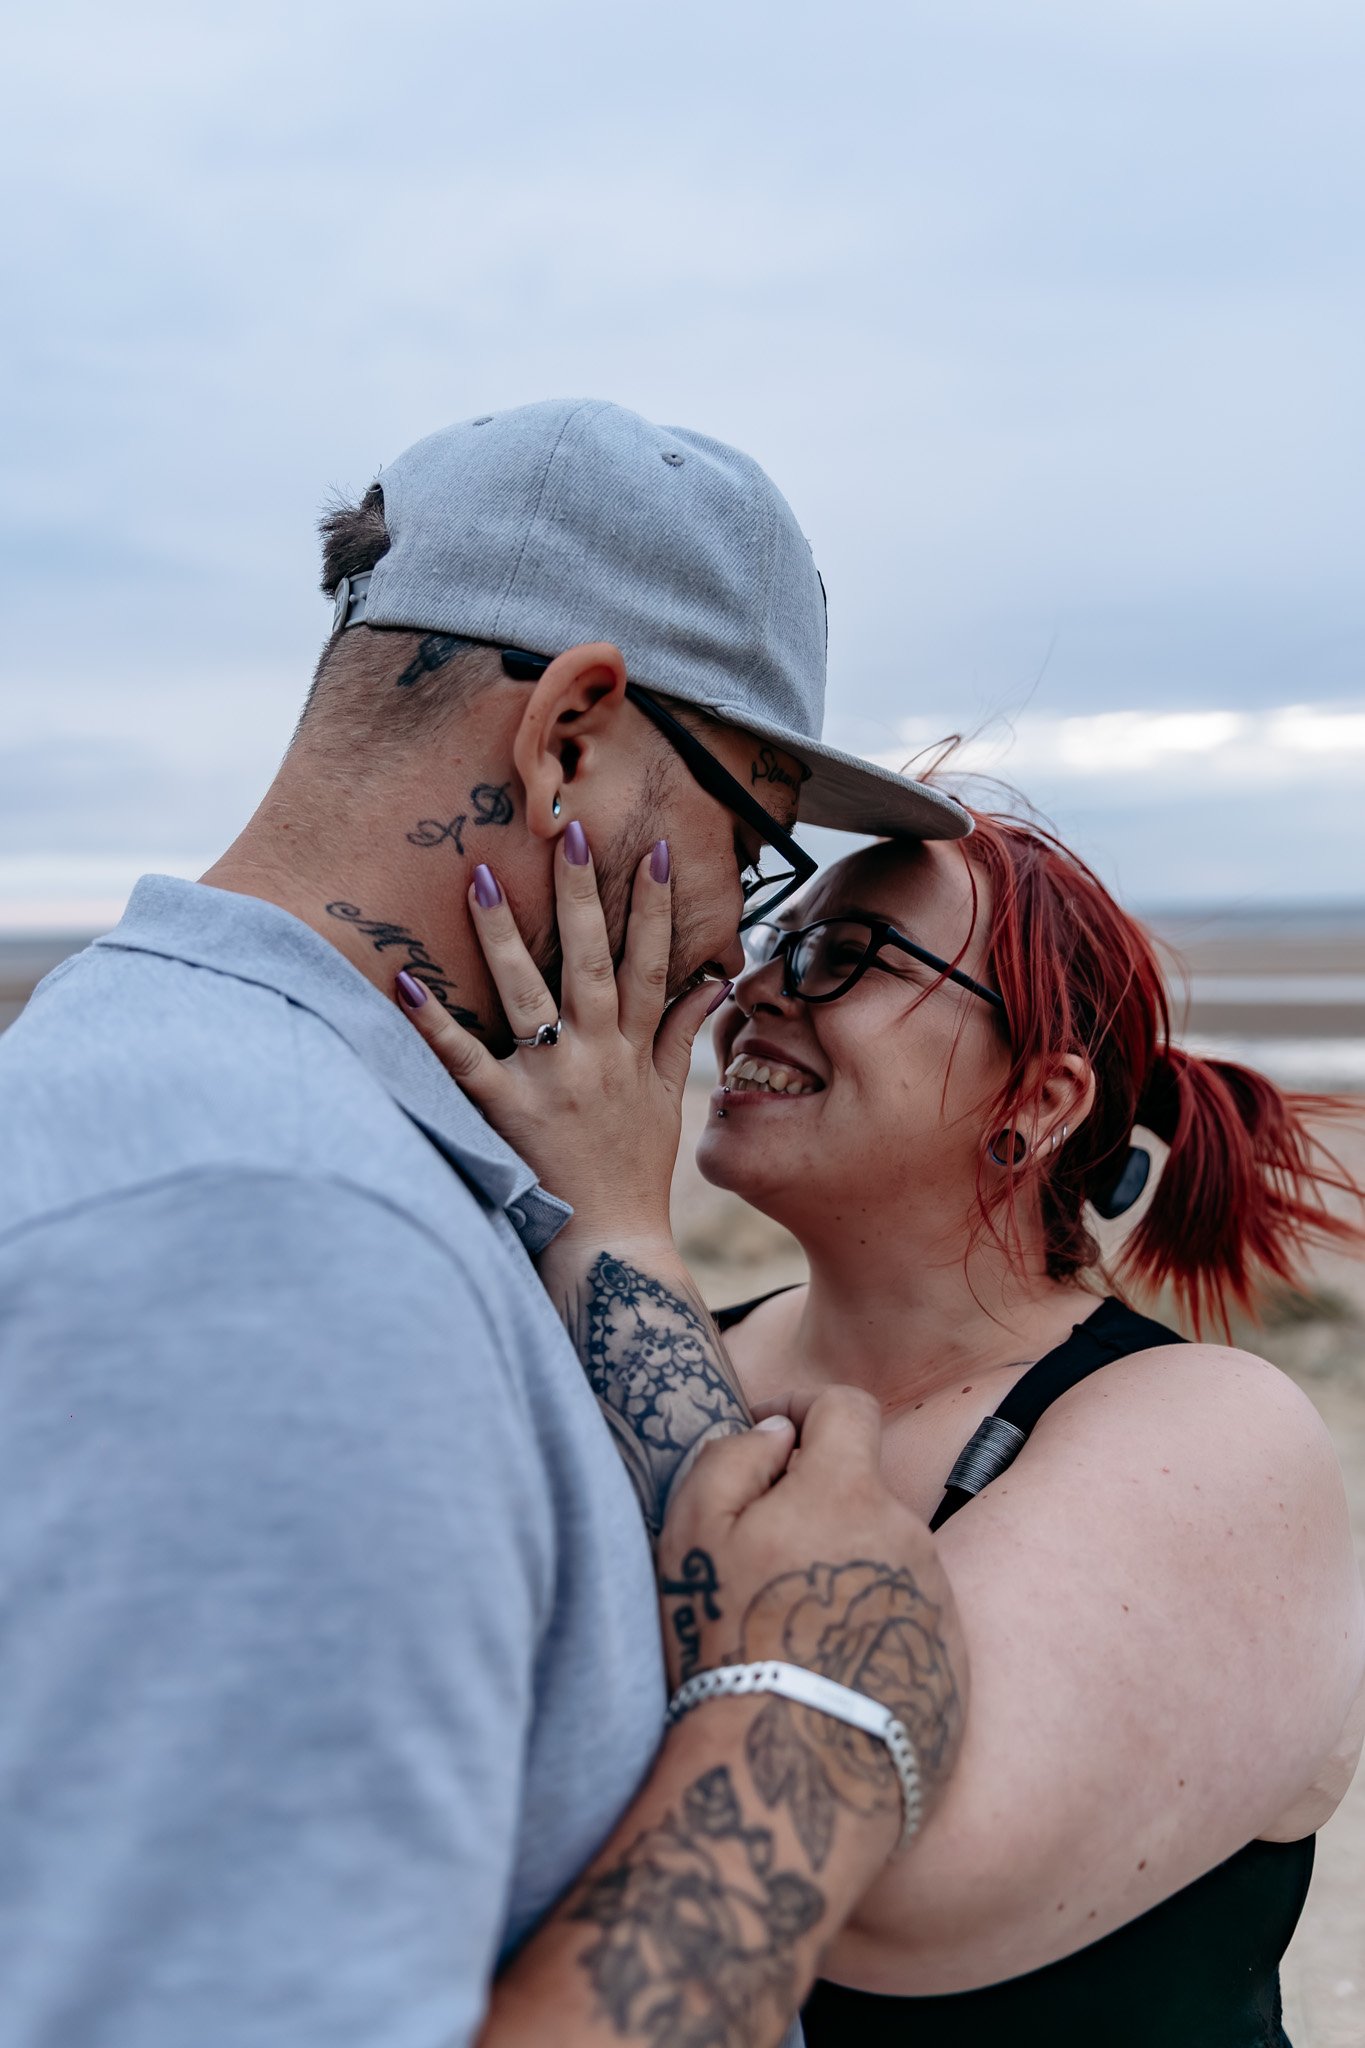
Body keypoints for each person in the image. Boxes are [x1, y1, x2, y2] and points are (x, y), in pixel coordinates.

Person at [0, 400, 974, 2047]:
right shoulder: (277, 1246)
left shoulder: (248, 1119)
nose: (736, 952)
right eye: (752, 847)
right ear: (573, 735)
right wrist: (813, 1725)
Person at [404, 799, 1365, 2047]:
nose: (754, 985)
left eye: (843, 954)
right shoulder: (653, 1327)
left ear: (1039, 1098)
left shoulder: (1214, 1432)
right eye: (773, 937)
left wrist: (616, 1226)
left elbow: (878, 1886)